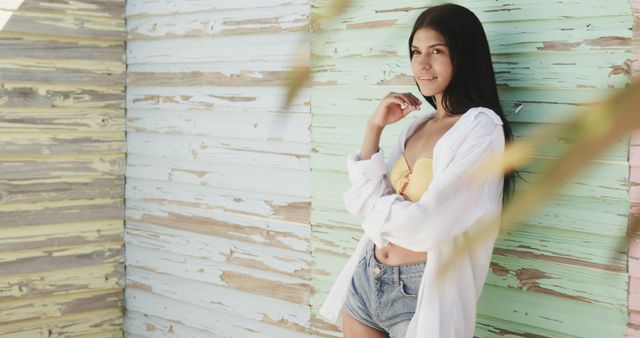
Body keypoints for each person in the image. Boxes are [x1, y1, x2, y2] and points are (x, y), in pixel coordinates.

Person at [319, 3, 519, 338]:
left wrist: (371, 208)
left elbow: (429, 226)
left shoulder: (482, 129)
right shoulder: (418, 126)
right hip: (367, 276)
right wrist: (374, 127)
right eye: (415, 52)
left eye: (436, 51)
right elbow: (364, 197)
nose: (422, 64)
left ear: (464, 55)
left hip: (420, 291)